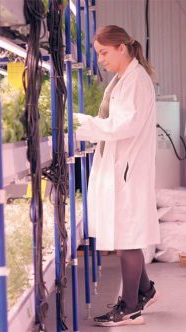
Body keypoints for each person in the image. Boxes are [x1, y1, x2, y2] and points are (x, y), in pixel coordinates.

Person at [75, 25, 160, 327]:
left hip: (128, 171)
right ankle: (146, 291)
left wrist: (82, 124)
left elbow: (123, 126)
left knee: (127, 240)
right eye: (98, 53)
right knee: (127, 234)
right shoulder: (124, 78)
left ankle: (131, 307)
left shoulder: (135, 81)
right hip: (122, 168)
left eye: (103, 52)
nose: (100, 59)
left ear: (121, 48)